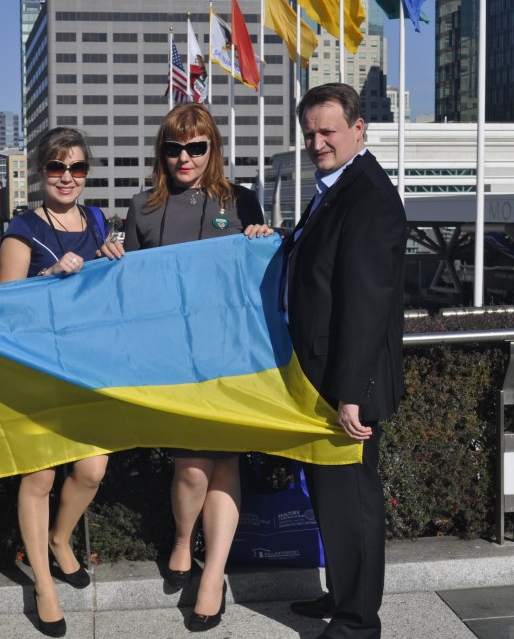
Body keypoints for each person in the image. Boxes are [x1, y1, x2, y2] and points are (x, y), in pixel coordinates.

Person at [124, 103, 273, 633]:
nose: (184, 157)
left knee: (226, 463)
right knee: (191, 467)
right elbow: (130, 289)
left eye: (196, 147)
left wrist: (264, 240)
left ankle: (213, 577)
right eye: (174, 148)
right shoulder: (141, 207)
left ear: (213, 149)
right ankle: (184, 537)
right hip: (172, 358)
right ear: (161, 152)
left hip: (230, 355)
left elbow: (263, 278)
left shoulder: (242, 200)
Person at [284, 83, 407, 639]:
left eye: (328, 132)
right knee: (332, 500)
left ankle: (357, 622)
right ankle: (341, 595)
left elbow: (365, 303)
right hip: (325, 376)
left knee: (352, 503)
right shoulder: (338, 187)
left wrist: (351, 392)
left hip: (347, 385)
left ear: (358, 129)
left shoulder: (369, 196)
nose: (317, 143)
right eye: (309, 133)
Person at [0, 127, 124, 638]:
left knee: (91, 470)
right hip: (37, 367)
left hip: (87, 365)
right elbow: (6, 305)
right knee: (40, 477)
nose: (67, 177)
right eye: (56, 167)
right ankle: (43, 585)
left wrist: (112, 261)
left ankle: (58, 539)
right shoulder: (22, 228)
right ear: (40, 172)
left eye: (76, 167)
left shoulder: (97, 221)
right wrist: (50, 276)